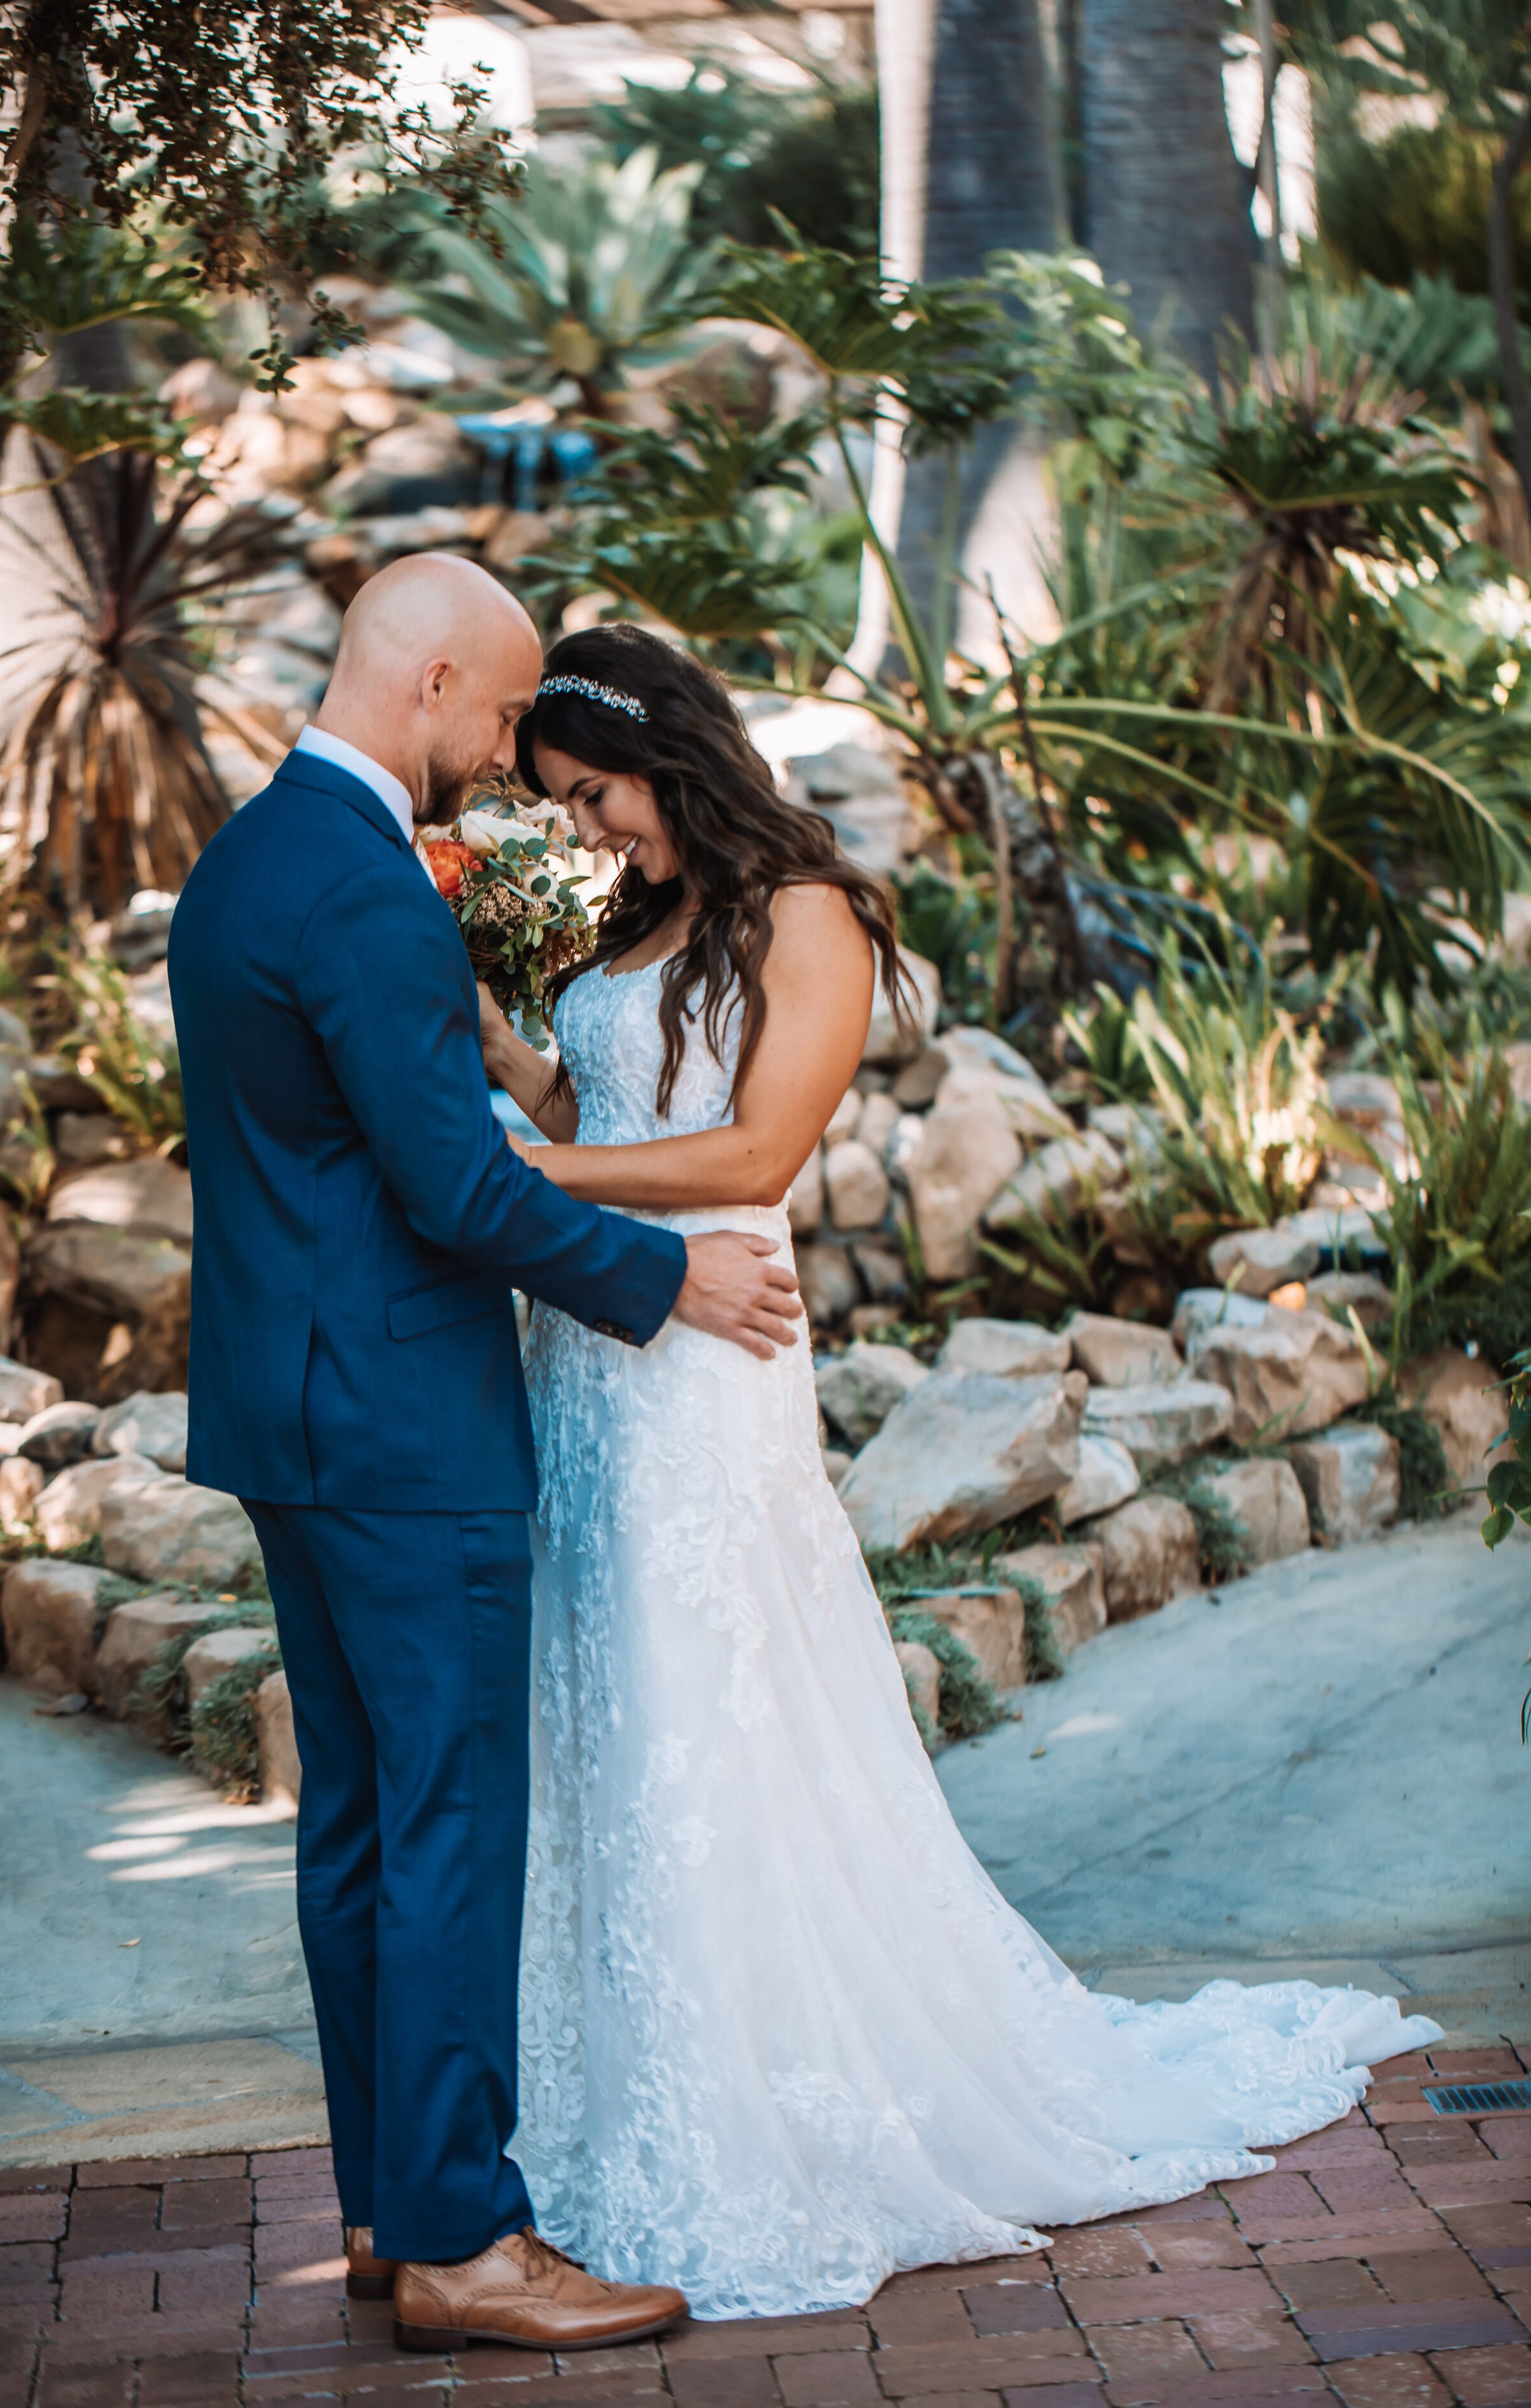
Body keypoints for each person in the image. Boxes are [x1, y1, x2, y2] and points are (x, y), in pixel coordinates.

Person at [478, 620, 1443, 2323]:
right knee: (608, 1709)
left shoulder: (811, 910)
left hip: (705, 1364)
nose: (589, 830)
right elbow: (616, 1101)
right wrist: (509, 1064)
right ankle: (626, 2103)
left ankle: (769, 2108)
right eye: (562, 803)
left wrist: (542, 1173)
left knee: (705, 1701)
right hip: (590, 1366)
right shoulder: (638, 920)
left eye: (599, 792)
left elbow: (759, 1149)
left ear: (673, 752)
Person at [168, 558, 804, 2357]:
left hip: (291, 1419)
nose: (510, 750)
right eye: (506, 713)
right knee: (448, 1821)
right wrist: (668, 1279)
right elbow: (448, 1190)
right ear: (435, 680)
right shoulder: (365, 889)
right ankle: (461, 2240)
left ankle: (388, 2202)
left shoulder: (251, 859)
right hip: (402, 1425)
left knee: (363, 1826)